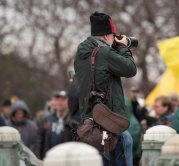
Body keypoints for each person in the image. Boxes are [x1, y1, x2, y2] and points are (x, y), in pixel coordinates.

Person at [74, 11, 137, 166]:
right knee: (125, 139)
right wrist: (122, 47)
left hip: (89, 124)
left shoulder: (81, 52)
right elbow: (130, 69)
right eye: (113, 36)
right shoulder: (103, 52)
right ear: (106, 36)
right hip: (108, 123)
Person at [41, 90, 71, 158]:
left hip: (65, 157)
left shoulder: (72, 120)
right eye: (58, 100)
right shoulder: (50, 118)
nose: (60, 102)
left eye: (63, 100)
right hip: (50, 156)